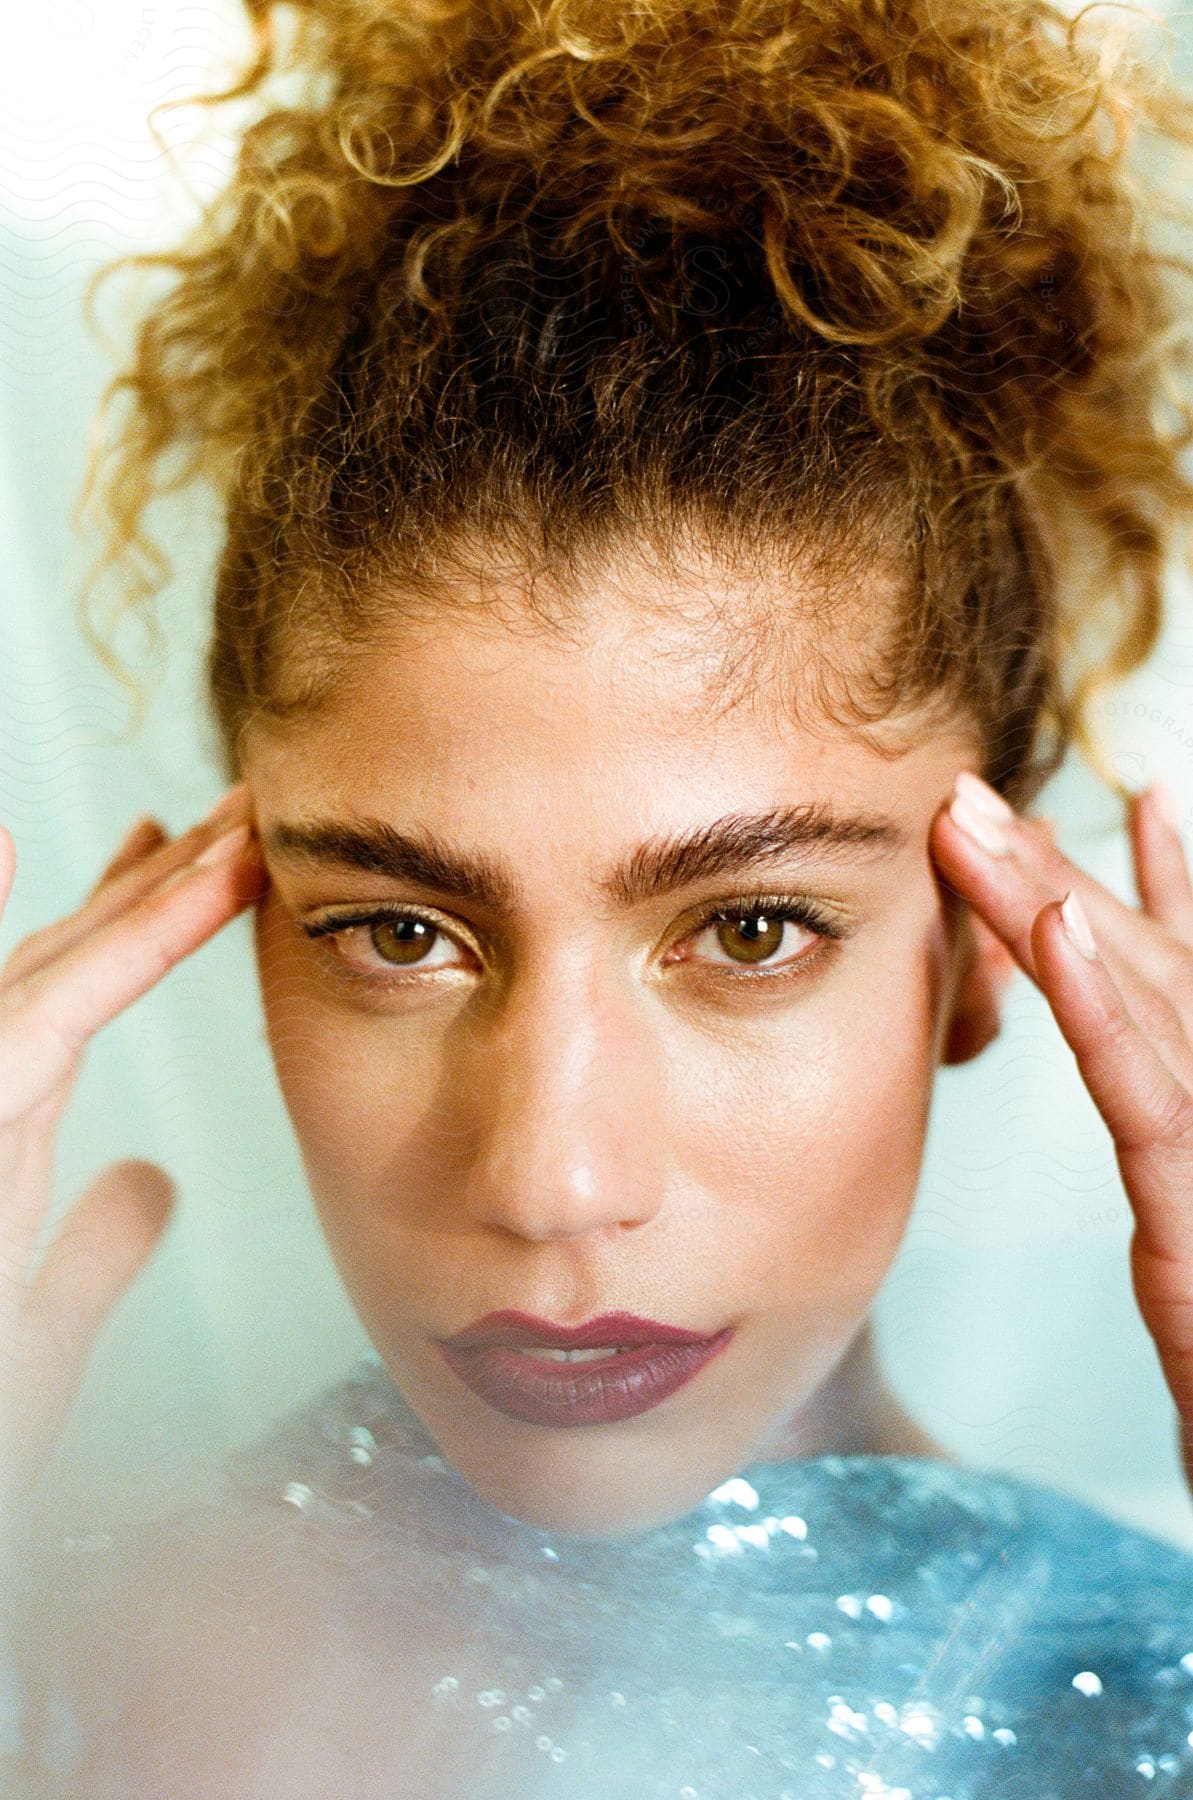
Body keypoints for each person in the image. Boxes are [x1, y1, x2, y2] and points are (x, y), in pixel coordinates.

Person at [6, 0, 1193, 1791]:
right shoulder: (65, 1677)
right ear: (231, 913)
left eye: (748, 929)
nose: (549, 1182)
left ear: (980, 943)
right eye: (395, 932)